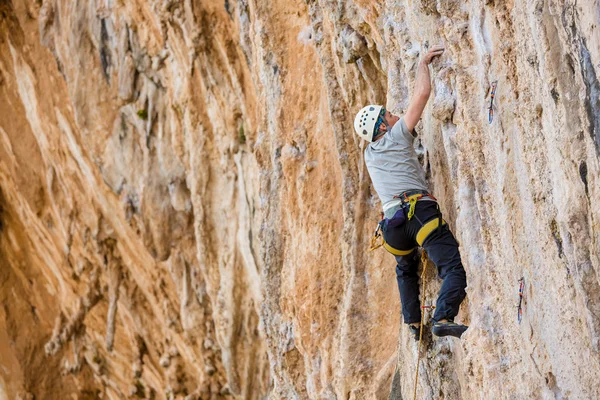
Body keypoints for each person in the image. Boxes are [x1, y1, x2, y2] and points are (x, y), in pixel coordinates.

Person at [354, 44, 468, 340]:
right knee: (452, 267)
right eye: (388, 115)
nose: (393, 115)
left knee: (405, 268)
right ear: (382, 127)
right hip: (419, 215)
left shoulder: (369, 155)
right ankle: (442, 316)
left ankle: (414, 323)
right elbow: (421, 96)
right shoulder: (396, 136)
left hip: (393, 229)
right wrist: (422, 65)